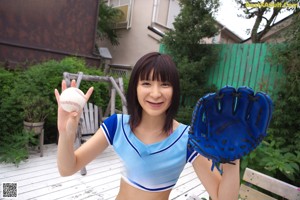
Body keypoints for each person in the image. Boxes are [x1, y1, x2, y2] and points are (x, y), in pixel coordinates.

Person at [55, 52, 240, 200]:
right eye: (146, 83)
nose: (156, 93)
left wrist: (233, 158)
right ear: (135, 88)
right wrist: (65, 133)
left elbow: (220, 196)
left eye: (165, 84)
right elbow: (68, 168)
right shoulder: (116, 125)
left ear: (175, 91)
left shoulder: (187, 139)